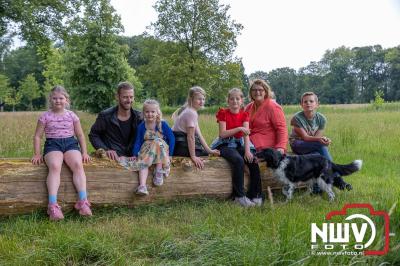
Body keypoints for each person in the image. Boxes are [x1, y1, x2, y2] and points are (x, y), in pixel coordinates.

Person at [31, 86, 92, 221]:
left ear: (66, 100)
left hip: (70, 143)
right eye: (54, 98)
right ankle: (52, 205)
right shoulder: (45, 116)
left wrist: (85, 152)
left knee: (77, 164)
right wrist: (36, 154)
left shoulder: (72, 115)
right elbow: (37, 136)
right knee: (55, 166)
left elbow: (80, 135)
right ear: (50, 100)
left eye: (61, 98)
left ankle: (83, 201)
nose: (58, 101)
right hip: (53, 144)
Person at [211, 88, 262, 207]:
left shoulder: (244, 114)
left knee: (253, 160)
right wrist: (239, 129)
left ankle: (255, 195)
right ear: (228, 101)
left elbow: (246, 134)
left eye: (237, 99)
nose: (234, 101)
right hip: (225, 144)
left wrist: (248, 151)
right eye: (232, 99)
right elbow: (222, 134)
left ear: (241, 101)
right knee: (238, 160)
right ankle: (239, 197)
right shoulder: (223, 113)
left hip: (240, 143)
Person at [289, 91, 347, 194]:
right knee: (320, 145)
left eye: (311, 101)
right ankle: (337, 178)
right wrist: (322, 140)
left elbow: (316, 137)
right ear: (301, 104)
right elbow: (306, 138)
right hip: (298, 144)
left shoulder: (321, 119)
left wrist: (323, 139)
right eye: (305, 101)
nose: (308, 103)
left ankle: (317, 189)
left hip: (312, 145)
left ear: (317, 104)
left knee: (316, 156)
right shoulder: (296, 118)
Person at [89, 82, 142, 161]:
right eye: (125, 97)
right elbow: (93, 135)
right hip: (113, 161)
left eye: (131, 97)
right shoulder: (105, 116)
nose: (129, 100)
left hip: (133, 159)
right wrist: (106, 150)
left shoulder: (140, 117)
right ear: (117, 97)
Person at [132, 99, 175, 195]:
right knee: (143, 162)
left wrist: (171, 154)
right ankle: (142, 186)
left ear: (157, 113)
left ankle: (159, 170)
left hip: (161, 149)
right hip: (147, 150)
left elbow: (171, 138)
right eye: (147, 112)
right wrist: (135, 154)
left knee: (157, 142)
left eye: (152, 112)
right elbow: (138, 141)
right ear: (143, 113)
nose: (150, 114)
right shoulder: (142, 126)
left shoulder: (162, 124)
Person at [172, 86, 220, 169]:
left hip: (180, 145)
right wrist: (193, 156)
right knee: (205, 157)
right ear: (191, 99)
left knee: (207, 153)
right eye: (199, 99)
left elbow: (199, 134)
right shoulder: (191, 113)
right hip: (181, 147)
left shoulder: (190, 110)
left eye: (203, 99)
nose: (202, 102)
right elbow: (190, 137)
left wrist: (209, 150)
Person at [244, 79, 288, 154]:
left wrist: (281, 147)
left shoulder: (273, 107)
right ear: (251, 93)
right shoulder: (248, 107)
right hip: (249, 141)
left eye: (260, 90)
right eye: (254, 90)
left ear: (266, 92)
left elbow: (281, 128)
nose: (257, 92)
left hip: (265, 145)